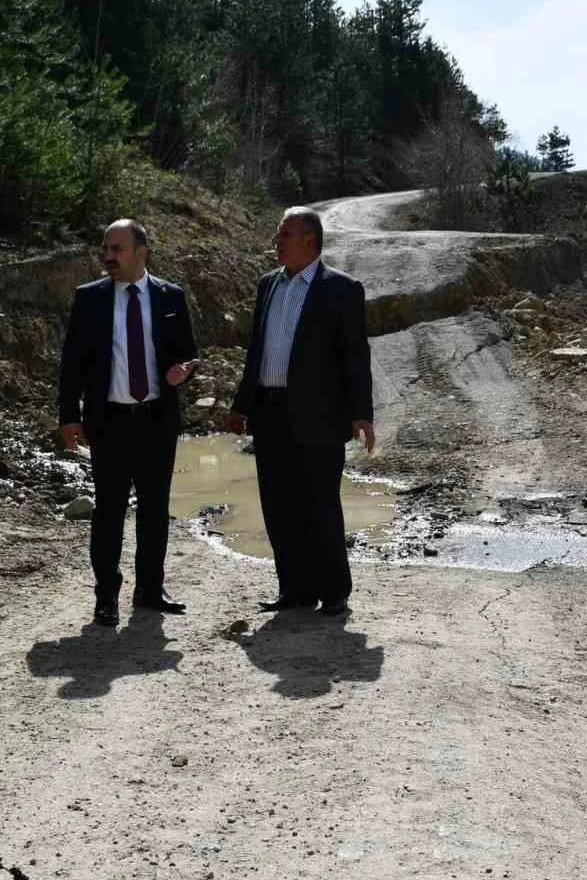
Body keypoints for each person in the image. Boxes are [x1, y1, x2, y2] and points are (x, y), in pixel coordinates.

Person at [226, 207, 375, 617]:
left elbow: (355, 355)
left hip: (320, 415)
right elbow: (256, 351)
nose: (278, 241)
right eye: (279, 234)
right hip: (270, 412)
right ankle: (294, 589)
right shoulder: (267, 286)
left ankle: (334, 591)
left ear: (309, 239)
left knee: (320, 503)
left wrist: (361, 412)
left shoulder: (341, 289)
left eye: (285, 234)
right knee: (278, 503)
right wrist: (242, 404)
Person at [58, 219, 200, 625]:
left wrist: (183, 372)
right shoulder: (90, 299)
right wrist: (69, 415)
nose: (108, 257)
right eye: (106, 248)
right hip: (110, 421)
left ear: (142, 251)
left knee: (155, 510)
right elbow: (72, 365)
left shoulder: (171, 296)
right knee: (109, 512)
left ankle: (150, 591)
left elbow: (188, 355)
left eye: (117, 249)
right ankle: (107, 596)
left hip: (157, 418)